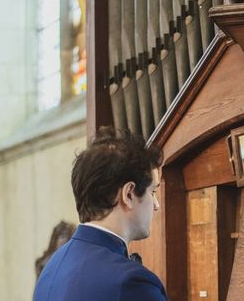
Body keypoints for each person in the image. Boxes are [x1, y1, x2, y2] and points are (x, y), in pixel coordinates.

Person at [33, 127, 167, 301]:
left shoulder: (52, 268)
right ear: (128, 194)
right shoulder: (132, 283)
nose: (156, 205)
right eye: (153, 192)